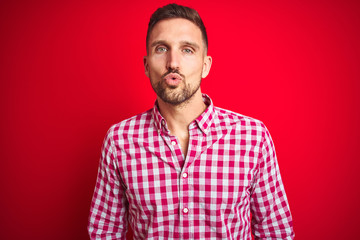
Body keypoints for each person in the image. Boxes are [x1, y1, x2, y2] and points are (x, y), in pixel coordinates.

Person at [88, 3, 294, 239]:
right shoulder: (119, 141)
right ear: (146, 66)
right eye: (161, 48)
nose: (173, 62)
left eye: (187, 49)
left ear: (205, 65)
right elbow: (105, 233)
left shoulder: (253, 138)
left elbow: (275, 233)